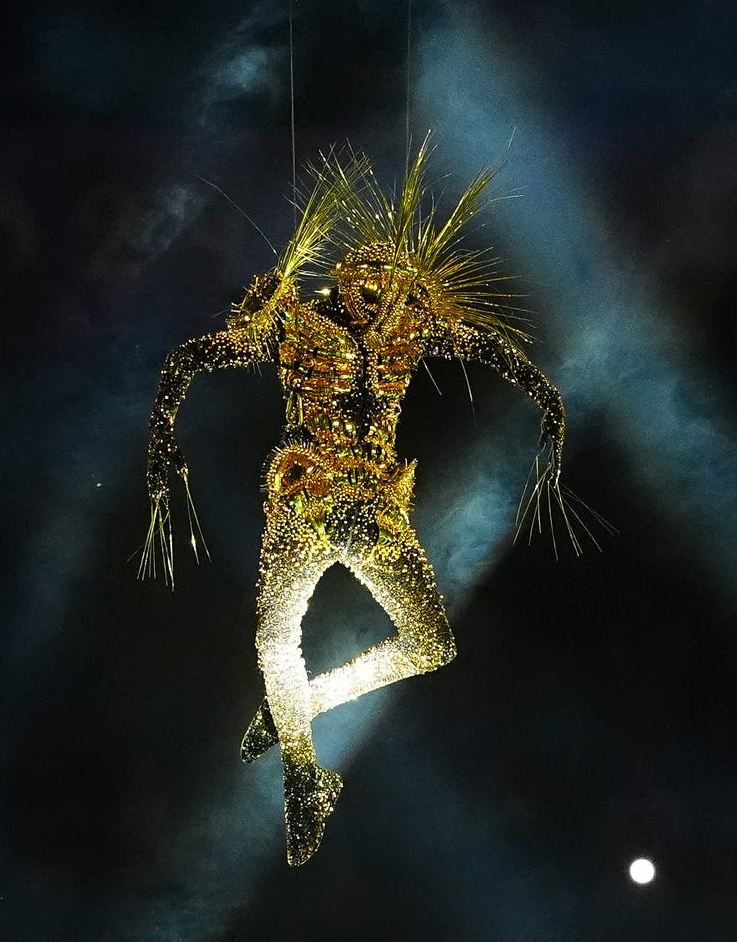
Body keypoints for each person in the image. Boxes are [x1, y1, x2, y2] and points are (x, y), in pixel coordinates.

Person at [143, 146, 568, 865]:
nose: (380, 296)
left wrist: (546, 398)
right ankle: (303, 774)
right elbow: (189, 358)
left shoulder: (409, 329)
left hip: (375, 510)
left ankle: (298, 709)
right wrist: (163, 440)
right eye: (370, 282)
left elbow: (493, 351)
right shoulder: (296, 324)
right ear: (344, 279)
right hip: (304, 500)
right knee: (276, 638)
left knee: (429, 643)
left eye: (392, 284)